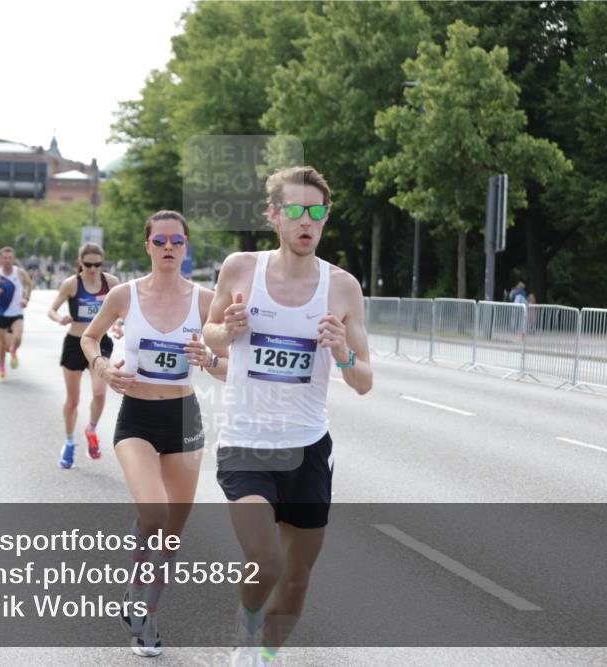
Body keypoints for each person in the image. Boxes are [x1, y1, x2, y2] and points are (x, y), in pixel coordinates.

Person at [203, 166, 372, 666]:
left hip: (308, 448)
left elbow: (363, 380)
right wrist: (225, 330)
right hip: (247, 442)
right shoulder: (239, 269)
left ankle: (266, 653)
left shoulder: (342, 288)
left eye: (316, 212)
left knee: (296, 582)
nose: (307, 221)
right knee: (266, 561)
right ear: (273, 215)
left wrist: (341, 351)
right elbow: (209, 332)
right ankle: (247, 635)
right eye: (295, 210)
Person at [81, 210, 228, 657]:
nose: (168, 247)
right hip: (137, 419)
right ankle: (145, 618)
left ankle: (147, 611)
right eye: (160, 240)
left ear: (186, 248)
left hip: (184, 419)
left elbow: (228, 369)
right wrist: (104, 367)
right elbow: (90, 338)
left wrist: (209, 359)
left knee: (169, 535)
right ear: (147, 245)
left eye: (177, 241)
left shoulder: (206, 301)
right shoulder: (124, 295)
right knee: (154, 512)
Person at [47, 243, 121, 466]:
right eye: (88, 264)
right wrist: (59, 319)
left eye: (97, 264)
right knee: (73, 400)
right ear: (80, 263)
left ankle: (92, 429)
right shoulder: (71, 284)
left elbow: (122, 311)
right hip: (75, 343)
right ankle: (69, 443)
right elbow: (52, 309)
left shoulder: (112, 283)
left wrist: (118, 325)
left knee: (99, 392)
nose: (93, 269)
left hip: (100, 342)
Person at [0, 247, 32, 382]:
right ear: (0, 260)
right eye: (4, 258)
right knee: (0, 345)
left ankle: (13, 351)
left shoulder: (20, 272)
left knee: (17, 338)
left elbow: (29, 285)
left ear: (13, 259)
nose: (7, 261)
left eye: (10, 258)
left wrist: (25, 298)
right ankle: (1, 370)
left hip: (16, 313)